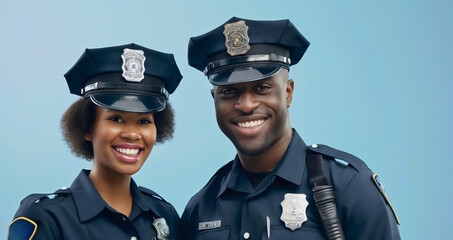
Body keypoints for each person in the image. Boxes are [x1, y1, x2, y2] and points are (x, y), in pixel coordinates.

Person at [181, 17, 401, 240]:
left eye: (262, 88)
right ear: (214, 99)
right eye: (229, 92)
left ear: (288, 92)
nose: (246, 105)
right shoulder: (200, 208)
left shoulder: (349, 189)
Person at [8, 43, 182, 240]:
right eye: (116, 119)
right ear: (88, 128)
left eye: (144, 121)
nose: (133, 134)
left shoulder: (164, 214)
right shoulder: (47, 217)